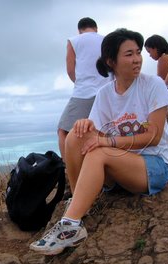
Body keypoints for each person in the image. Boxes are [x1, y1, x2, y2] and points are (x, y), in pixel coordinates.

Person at [30, 28, 168, 256]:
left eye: (138, 52)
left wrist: (108, 142)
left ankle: (71, 226)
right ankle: (79, 204)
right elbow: (96, 135)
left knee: (100, 152)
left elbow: (153, 137)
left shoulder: (152, 85)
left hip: (153, 165)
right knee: (74, 138)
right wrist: (85, 127)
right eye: (129, 54)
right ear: (111, 61)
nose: (137, 59)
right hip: (120, 167)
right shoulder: (105, 93)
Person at [59, 17, 109, 160]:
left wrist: (79, 83)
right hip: (108, 91)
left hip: (84, 93)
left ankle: (68, 168)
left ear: (79, 30)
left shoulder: (73, 41)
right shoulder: (107, 40)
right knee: (101, 131)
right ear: (96, 28)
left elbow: (70, 70)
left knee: (63, 130)